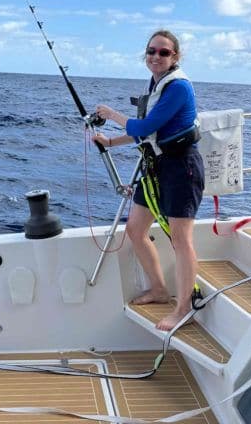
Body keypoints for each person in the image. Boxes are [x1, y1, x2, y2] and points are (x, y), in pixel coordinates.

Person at [92, 30, 204, 331]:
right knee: (135, 229)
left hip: (182, 168)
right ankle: (158, 288)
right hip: (156, 167)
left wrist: (111, 113)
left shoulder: (178, 87)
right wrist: (111, 141)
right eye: (151, 51)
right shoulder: (156, 84)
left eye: (164, 52)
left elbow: (147, 124)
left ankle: (183, 309)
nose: (156, 56)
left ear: (175, 57)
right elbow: (145, 133)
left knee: (181, 240)